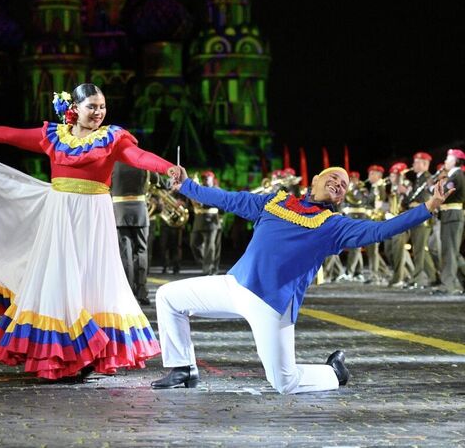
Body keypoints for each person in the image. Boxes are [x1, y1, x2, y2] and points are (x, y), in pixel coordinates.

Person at [0, 83, 179, 380]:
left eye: (102, 107)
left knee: (93, 279)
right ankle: (67, 354)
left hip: (94, 217)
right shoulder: (53, 137)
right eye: (92, 107)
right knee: (61, 280)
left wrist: (167, 168)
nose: (98, 112)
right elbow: (9, 135)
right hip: (60, 215)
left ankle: (91, 351)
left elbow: (139, 157)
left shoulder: (112, 138)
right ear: (75, 108)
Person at [151, 165, 453, 394]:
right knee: (168, 297)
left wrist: (428, 207)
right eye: (332, 177)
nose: (337, 183)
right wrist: (186, 185)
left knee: (284, 382)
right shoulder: (273, 202)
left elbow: (380, 230)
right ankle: (183, 369)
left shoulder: (334, 226)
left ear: (341, 197)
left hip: (270, 305)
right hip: (234, 286)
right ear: (315, 181)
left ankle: (334, 373)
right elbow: (227, 199)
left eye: (343, 185)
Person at [111, 162, 151, 306]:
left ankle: (127, 293)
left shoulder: (113, 164)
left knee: (125, 253)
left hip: (119, 211)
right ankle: (142, 293)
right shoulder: (142, 162)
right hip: (140, 210)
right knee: (141, 250)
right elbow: (157, 181)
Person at [433, 148, 465, 294]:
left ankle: (449, 286)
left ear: (456, 161)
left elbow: (443, 192)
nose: (445, 161)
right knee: (452, 252)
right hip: (448, 215)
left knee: (450, 252)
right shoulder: (453, 175)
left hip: (452, 215)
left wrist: (436, 185)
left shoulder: (457, 176)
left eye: (448, 158)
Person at [404, 152, 437, 289]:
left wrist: (416, 202)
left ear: (424, 164)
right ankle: (434, 277)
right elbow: (409, 200)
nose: (413, 165)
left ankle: (416, 279)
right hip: (416, 217)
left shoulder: (427, 178)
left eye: (416, 162)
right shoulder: (418, 179)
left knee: (419, 250)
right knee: (421, 249)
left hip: (423, 218)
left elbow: (426, 197)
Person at [190, 170, 222, 275]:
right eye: (203, 178)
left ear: (212, 179)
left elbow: (220, 204)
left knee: (210, 246)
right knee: (194, 243)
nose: (205, 180)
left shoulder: (216, 190)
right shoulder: (199, 189)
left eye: (207, 178)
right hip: (199, 219)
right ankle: (206, 263)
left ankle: (208, 270)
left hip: (212, 220)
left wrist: (202, 202)